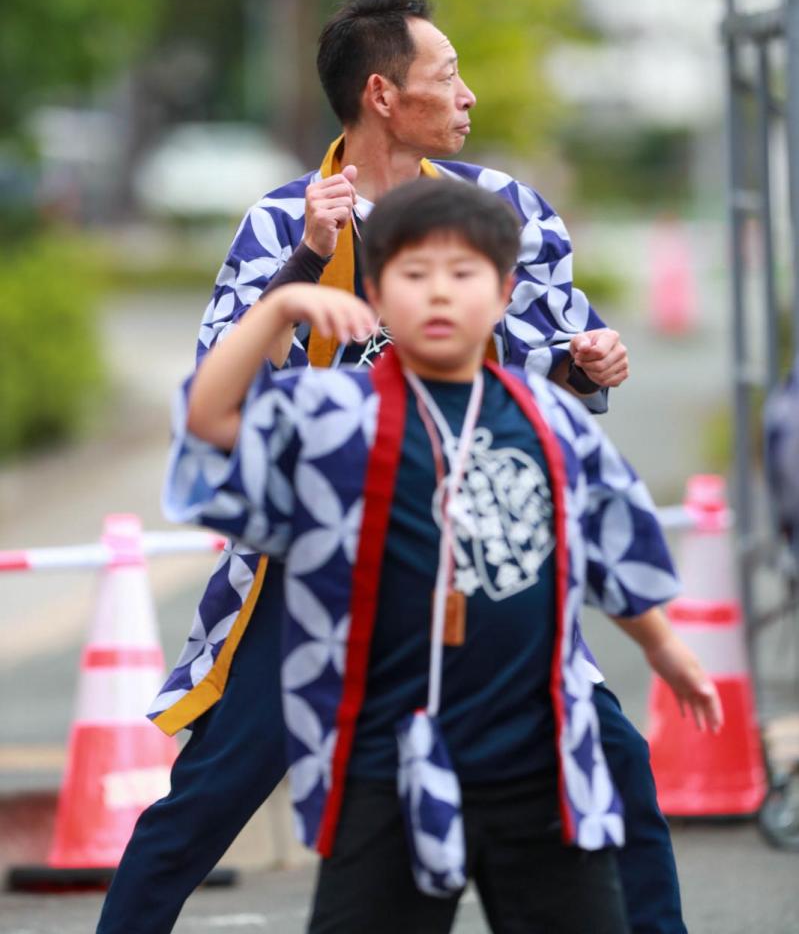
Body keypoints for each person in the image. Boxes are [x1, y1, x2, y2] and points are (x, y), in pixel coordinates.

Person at [96, 0, 676, 934]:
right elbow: (223, 393)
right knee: (210, 795)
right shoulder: (285, 221)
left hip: (477, 549)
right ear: (381, 94)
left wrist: (588, 360)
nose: (466, 94)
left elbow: (547, 353)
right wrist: (303, 268)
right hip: (328, 555)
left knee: (613, 759)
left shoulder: (502, 207)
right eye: (444, 76)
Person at [163, 177, 721, 934]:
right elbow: (209, 417)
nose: (437, 295)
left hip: (540, 763)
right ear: (376, 294)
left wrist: (665, 648)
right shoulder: (333, 413)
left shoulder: (550, 416)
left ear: (505, 293)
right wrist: (285, 304)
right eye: (412, 276)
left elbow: (610, 543)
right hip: (385, 762)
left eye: (461, 276)